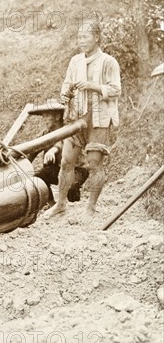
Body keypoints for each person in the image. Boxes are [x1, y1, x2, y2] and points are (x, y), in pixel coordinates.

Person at [45, 20, 121, 224]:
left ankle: (91, 208)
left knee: (94, 164)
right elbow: (67, 83)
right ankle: (60, 204)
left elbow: (116, 89)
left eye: (85, 36)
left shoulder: (108, 61)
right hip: (76, 116)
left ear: (96, 37)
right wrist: (65, 94)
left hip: (98, 119)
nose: (81, 41)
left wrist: (92, 86)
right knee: (66, 161)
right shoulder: (75, 61)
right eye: (79, 37)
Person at [27, 101, 89, 206]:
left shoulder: (69, 130)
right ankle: (52, 204)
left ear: (57, 116)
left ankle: (74, 208)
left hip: (77, 169)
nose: (44, 119)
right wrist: (23, 163)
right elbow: (33, 150)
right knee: (39, 177)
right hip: (59, 170)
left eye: (47, 115)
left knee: (71, 187)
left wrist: (53, 150)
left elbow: (62, 143)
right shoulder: (45, 134)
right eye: (43, 116)